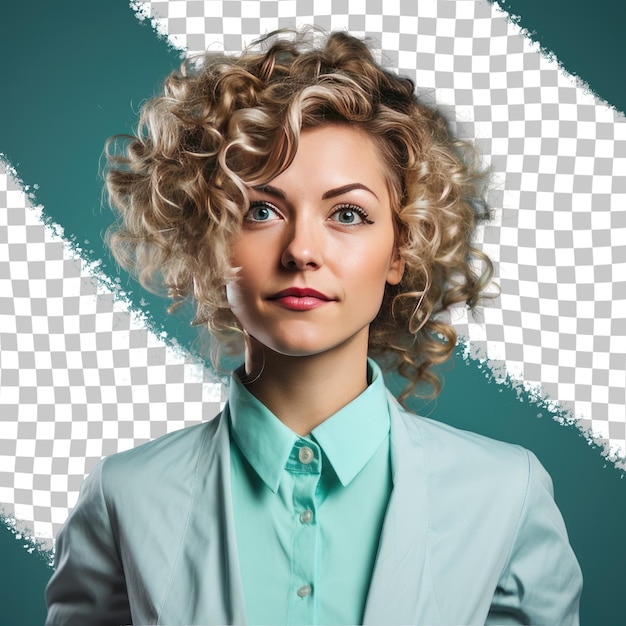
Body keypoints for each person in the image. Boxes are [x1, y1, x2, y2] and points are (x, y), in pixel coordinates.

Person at [45, 29, 582, 625]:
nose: (302, 249)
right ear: (210, 237)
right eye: (261, 210)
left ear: (400, 248)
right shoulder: (125, 497)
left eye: (348, 214)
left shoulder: (505, 496)